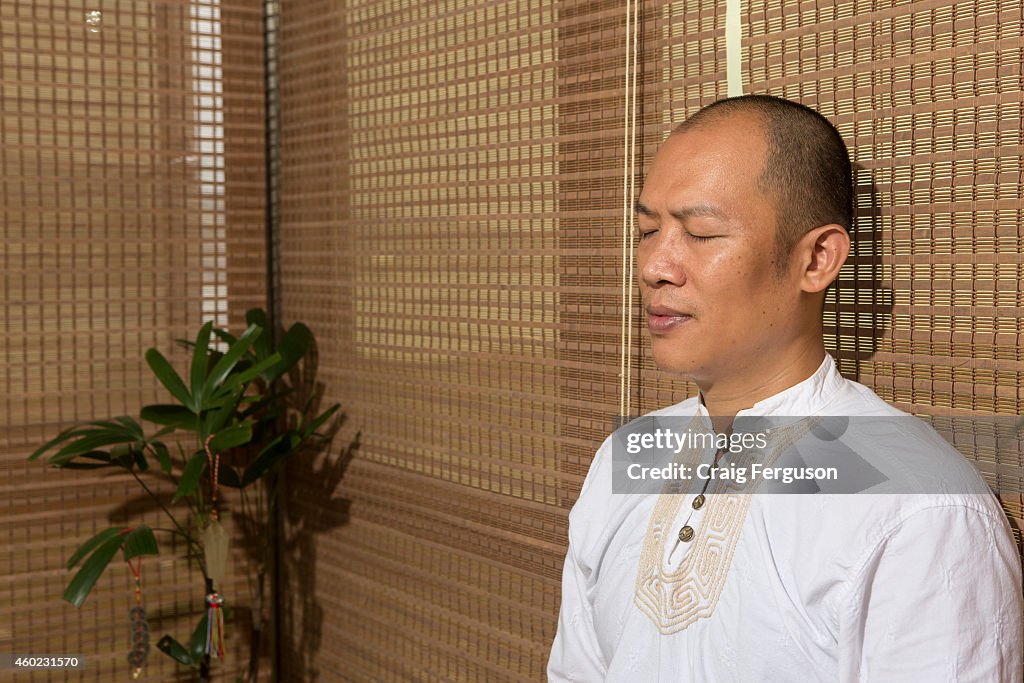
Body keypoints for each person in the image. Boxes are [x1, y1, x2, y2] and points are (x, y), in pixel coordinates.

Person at [547, 95, 1023, 681]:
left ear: (817, 259)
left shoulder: (919, 507)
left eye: (699, 232)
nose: (654, 266)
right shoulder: (626, 456)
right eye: (648, 230)